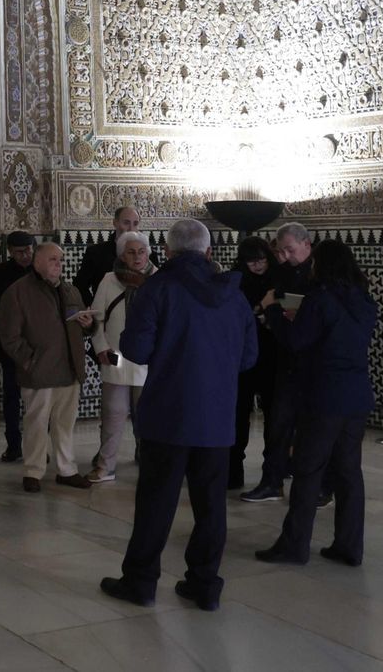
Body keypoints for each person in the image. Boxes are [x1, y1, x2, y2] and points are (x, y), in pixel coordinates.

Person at [99, 219, 258, 613]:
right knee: (210, 506)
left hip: (167, 416)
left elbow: (136, 349)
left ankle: (140, 582)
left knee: (156, 503)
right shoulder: (233, 295)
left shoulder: (158, 287)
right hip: (217, 419)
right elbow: (249, 357)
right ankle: (204, 585)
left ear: (167, 253)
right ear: (208, 253)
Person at [255, 240, 377, 567]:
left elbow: (296, 341)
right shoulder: (363, 299)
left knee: (308, 470)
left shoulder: (320, 299)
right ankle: (349, 546)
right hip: (357, 396)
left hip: (324, 396)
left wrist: (272, 311)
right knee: (349, 473)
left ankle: (294, 546)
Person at [0, 243, 94, 493]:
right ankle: (33, 471)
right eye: (52, 259)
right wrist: (31, 362)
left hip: (69, 370)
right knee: (37, 423)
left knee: (65, 424)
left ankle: (66, 469)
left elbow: (81, 327)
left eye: (60, 260)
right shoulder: (17, 293)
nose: (58, 264)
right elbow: (9, 337)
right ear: (37, 262)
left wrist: (88, 324)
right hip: (39, 373)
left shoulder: (70, 291)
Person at [241, 223, 315, 504]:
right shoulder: (282, 271)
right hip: (285, 360)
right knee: (278, 425)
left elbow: (308, 308)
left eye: (290, 250)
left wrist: (275, 307)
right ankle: (272, 480)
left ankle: (317, 485)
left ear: (306, 244)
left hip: (310, 363)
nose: (284, 257)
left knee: (311, 430)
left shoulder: (317, 273)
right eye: (280, 251)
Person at [88, 230, 155, 483]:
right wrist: (100, 347)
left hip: (147, 361)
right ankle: (105, 466)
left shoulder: (159, 279)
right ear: (122, 255)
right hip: (115, 359)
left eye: (141, 251)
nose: (137, 257)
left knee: (147, 417)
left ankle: (150, 464)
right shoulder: (109, 280)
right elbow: (97, 317)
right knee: (113, 414)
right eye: (131, 252)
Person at [229, 236, 278, 490]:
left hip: (272, 356)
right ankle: (233, 469)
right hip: (245, 357)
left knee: (274, 416)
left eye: (261, 260)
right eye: (252, 262)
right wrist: (262, 306)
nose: (258, 266)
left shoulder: (277, 277)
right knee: (239, 414)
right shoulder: (236, 281)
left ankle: (273, 472)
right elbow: (237, 316)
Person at [0, 231, 38, 463]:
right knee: (11, 396)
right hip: (10, 345)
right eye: (20, 252)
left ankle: (37, 448)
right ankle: (13, 445)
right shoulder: (2, 272)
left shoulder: (40, 268)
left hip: (36, 344)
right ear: (10, 252)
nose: (25, 256)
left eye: (28, 251)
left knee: (37, 399)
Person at [74, 206, 140, 305]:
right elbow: (79, 286)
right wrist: (94, 309)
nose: (131, 229)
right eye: (126, 223)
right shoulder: (96, 253)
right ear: (115, 223)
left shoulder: (149, 255)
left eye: (135, 224)